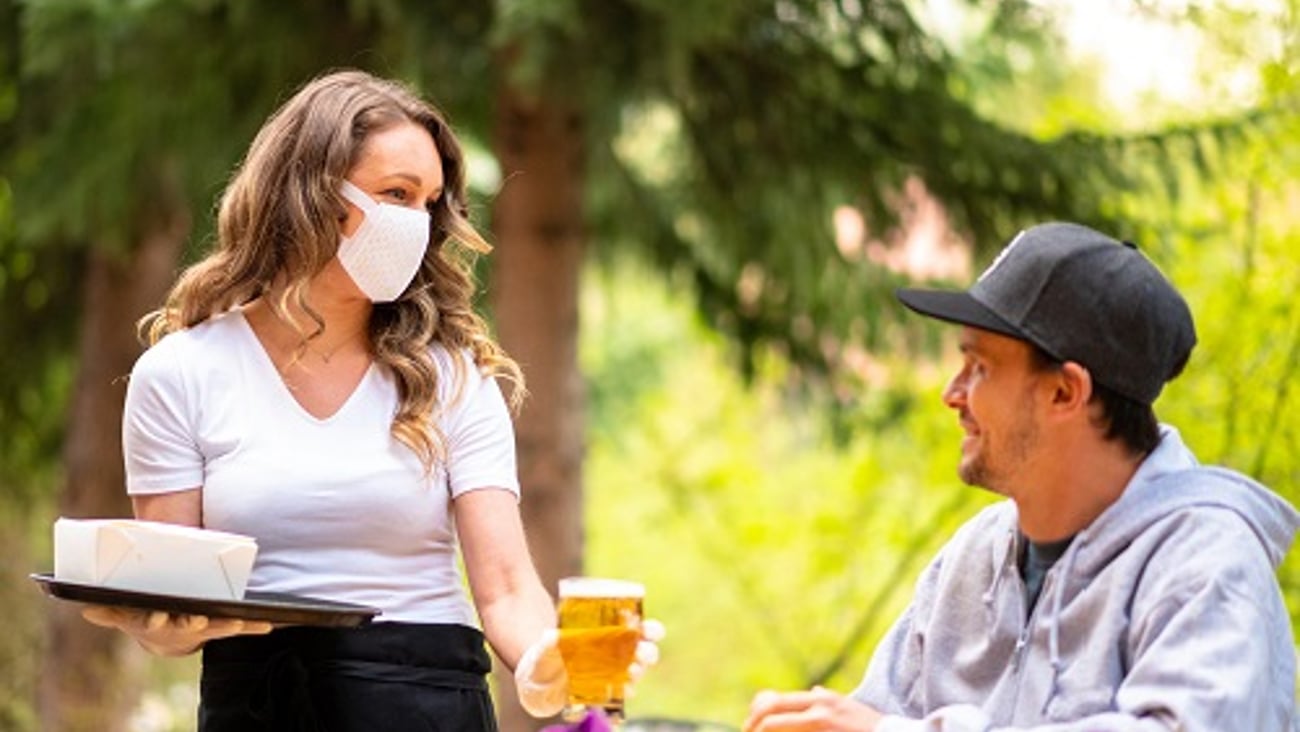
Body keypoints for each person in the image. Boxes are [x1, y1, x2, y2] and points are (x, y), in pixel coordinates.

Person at [81, 68, 658, 731]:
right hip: (259, 706)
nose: (417, 223)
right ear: (309, 195)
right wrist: (159, 627)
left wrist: (549, 665)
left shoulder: (453, 378)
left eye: (429, 202)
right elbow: (171, 601)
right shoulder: (180, 373)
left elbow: (504, 590)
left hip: (428, 702)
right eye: (396, 194)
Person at [743, 222, 1299, 731]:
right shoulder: (971, 559)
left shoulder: (1208, 565)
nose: (952, 394)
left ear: (1065, 392)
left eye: (979, 367)